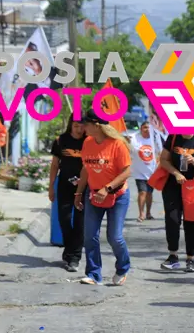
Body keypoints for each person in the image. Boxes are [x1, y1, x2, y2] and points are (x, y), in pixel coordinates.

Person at [73, 109, 132, 286]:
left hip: (117, 195)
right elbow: (85, 170)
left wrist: (107, 188)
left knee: (114, 237)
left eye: (86, 124)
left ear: (96, 126)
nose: (83, 127)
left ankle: (123, 267)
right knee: (90, 235)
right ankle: (93, 274)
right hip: (93, 194)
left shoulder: (117, 144)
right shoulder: (88, 142)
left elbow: (127, 171)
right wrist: (78, 193)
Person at [158, 130, 194, 272]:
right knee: (172, 219)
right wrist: (176, 173)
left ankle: (190, 259)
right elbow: (163, 160)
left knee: (192, 221)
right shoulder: (173, 137)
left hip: (193, 186)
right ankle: (173, 256)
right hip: (173, 185)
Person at [49, 116, 86, 272]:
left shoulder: (89, 142)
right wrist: (51, 187)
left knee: (80, 223)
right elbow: (55, 165)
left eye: (82, 126)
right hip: (64, 185)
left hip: (84, 187)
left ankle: (74, 257)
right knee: (64, 219)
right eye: (76, 126)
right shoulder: (60, 140)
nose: (79, 129)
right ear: (71, 125)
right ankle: (70, 250)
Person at [129, 122, 157, 222]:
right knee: (142, 192)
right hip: (139, 172)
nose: (147, 129)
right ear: (141, 129)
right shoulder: (134, 138)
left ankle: (148, 213)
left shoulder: (155, 139)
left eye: (149, 128)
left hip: (152, 171)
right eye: (145, 127)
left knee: (149, 193)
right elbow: (128, 147)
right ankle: (141, 214)